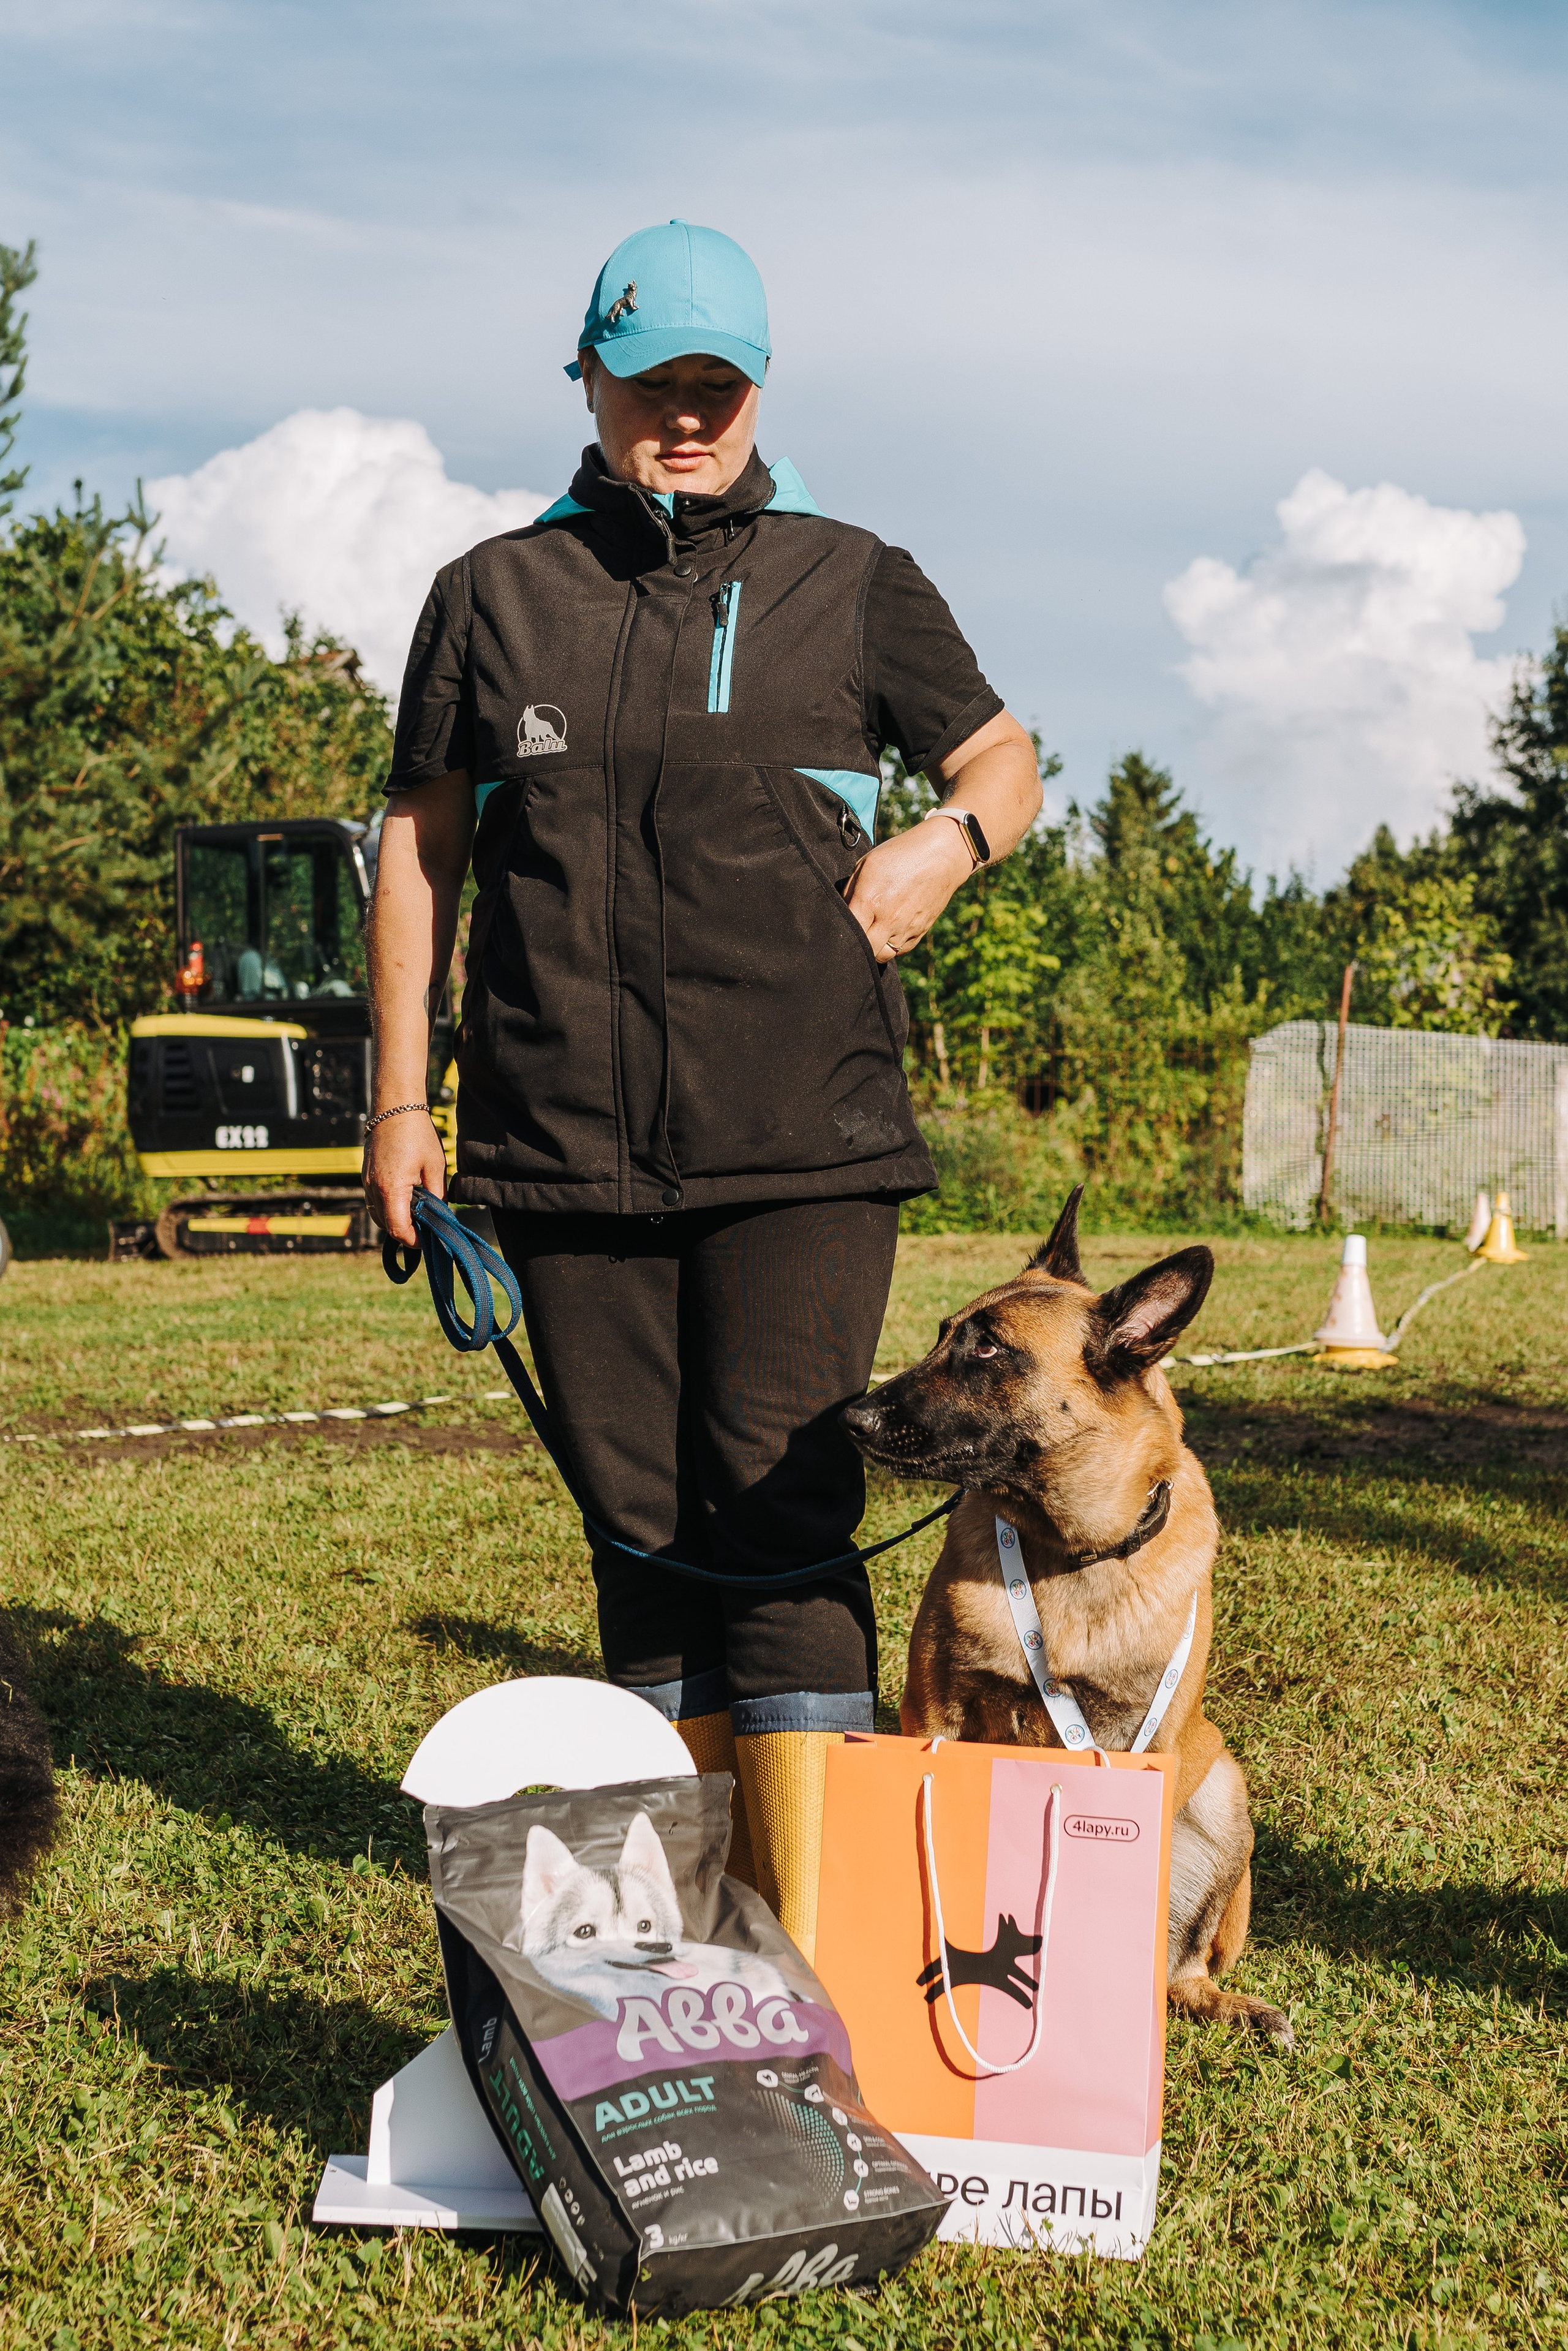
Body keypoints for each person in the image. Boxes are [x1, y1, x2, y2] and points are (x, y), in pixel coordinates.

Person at [364, 220, 1041, 1959]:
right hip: (555, 1142)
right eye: (652, 385)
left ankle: (807, 1947)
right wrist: (398, 1110)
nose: (685, 418)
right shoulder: (494, 595)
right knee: (642, 1533)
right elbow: (421, 847)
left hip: (801, 1136)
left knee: (782, 1505)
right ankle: (679, 1937)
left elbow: (1003, 757)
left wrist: (944, 846)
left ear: (757, 391)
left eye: (716, 389)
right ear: (586, 379)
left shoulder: (849, 575)